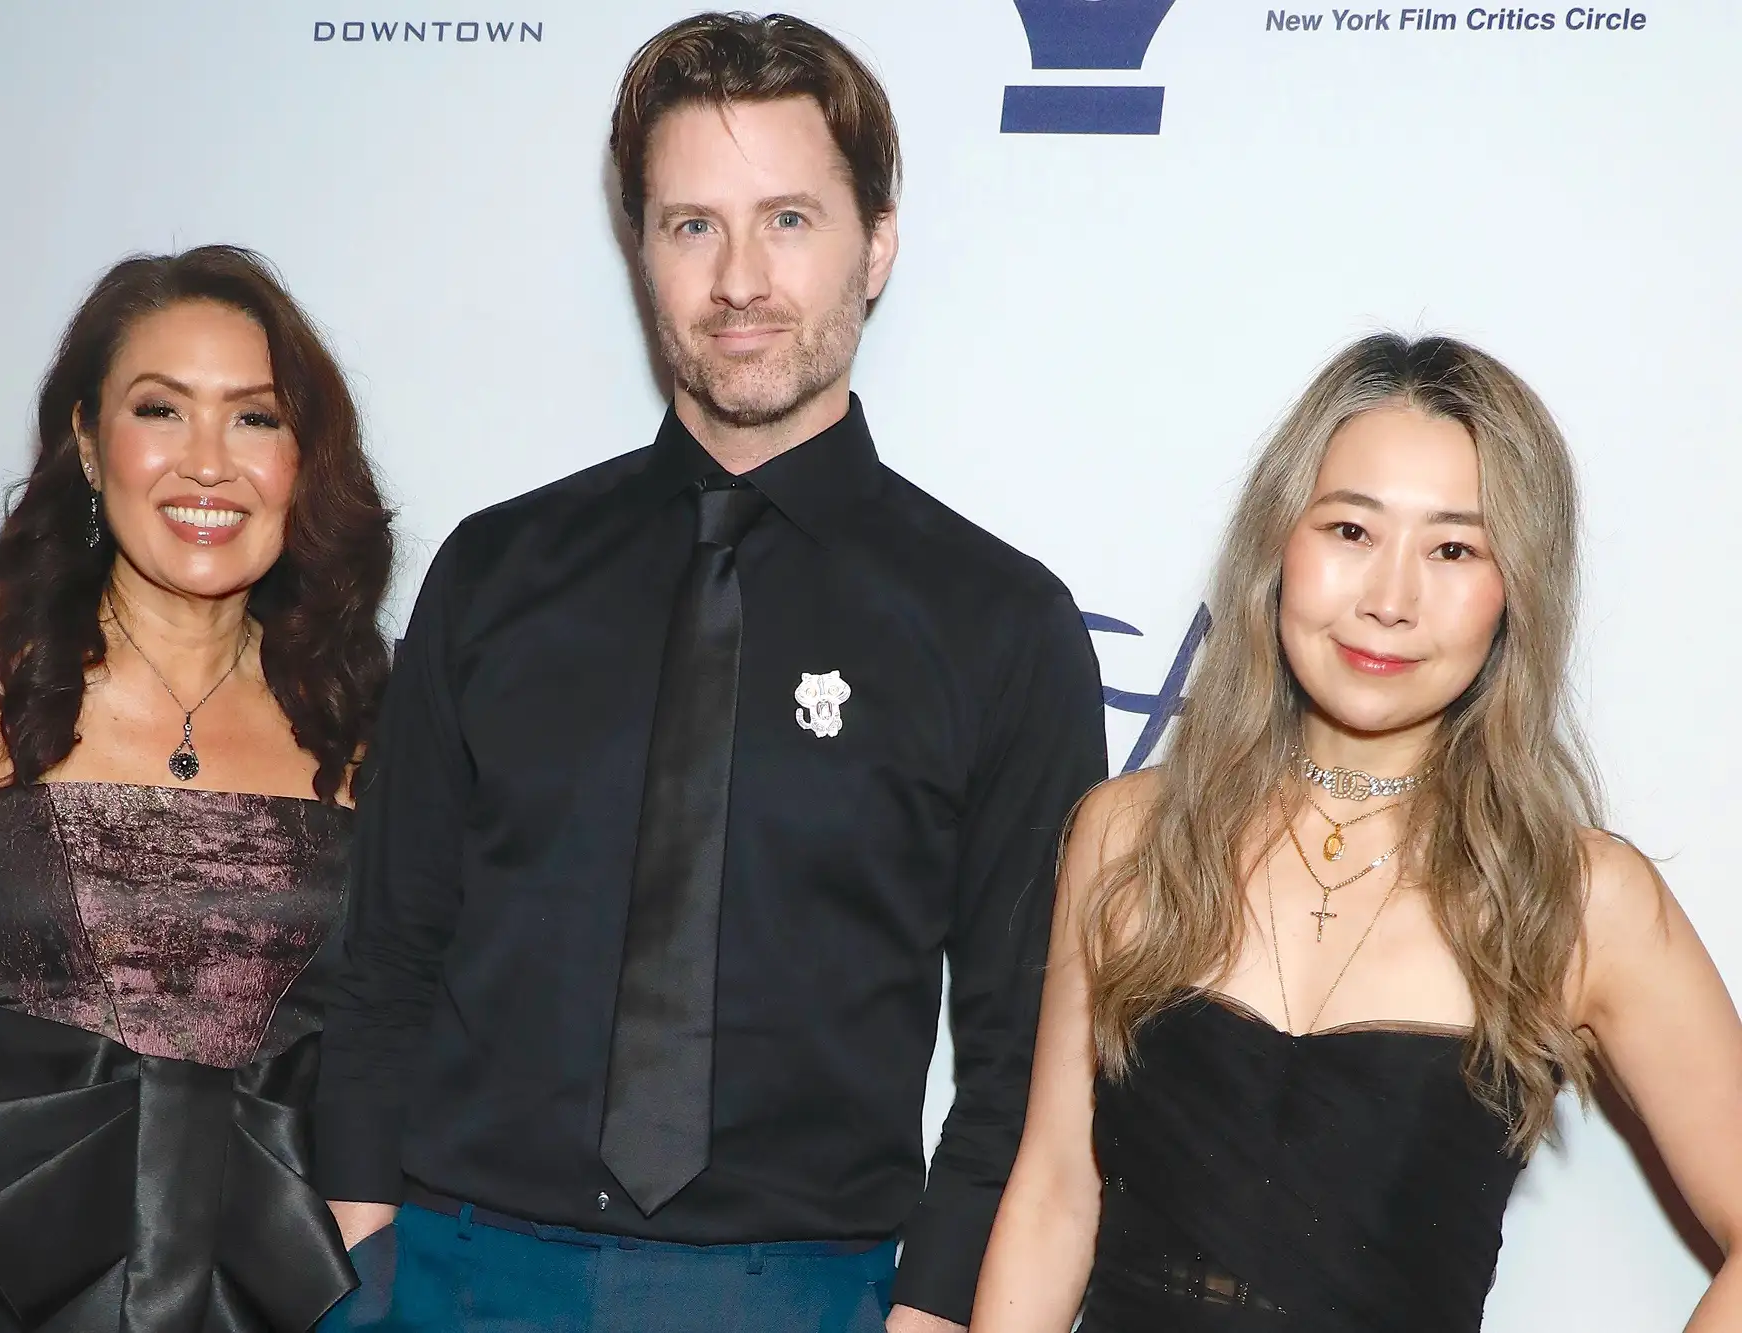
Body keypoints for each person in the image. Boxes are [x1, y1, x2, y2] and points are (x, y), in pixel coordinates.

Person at [313, 12, 1107, 1333]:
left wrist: (937, 1312)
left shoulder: (999, 623)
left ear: (878, 244)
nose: (739, 277)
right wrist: (364, 1254)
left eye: (789, 219)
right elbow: (386, 952)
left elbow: (1024, 1056)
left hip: (804, 1287)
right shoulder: (498, 572)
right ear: (643, 252)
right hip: (455, 1267)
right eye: (693, 226)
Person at [971, 333, 1742, 1332]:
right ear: (1276, 546)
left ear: (1514, 594)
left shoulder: (1574, 898)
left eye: (1452, 549)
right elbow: (1051, 1196)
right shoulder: (1128, 835)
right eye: (1348, 531)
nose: (1387, 598)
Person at [0, 244, 395, 1332]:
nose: (205, 464)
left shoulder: (377, 724)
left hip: (285, 1296)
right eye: (160, 410)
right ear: (88, 444)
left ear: (302, 461)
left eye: (254, 418)